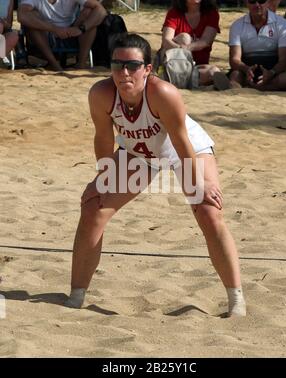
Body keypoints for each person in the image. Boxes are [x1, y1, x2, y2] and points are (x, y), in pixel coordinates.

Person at [65, 33, 246, 318]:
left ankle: (236, 300)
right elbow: (103, 140)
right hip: (139, 154)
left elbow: (181, 142)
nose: (124, 72)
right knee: (92, 207)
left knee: (209, 211)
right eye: (117, 65)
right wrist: (102, 178)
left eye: (133, 65)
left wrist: (199, 185)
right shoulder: (101, 93)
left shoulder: (163, 93)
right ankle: (76, 296)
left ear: (148, 69)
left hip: (183, 151)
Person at [17, 0, 107, 71]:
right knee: (32, 17)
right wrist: (54, 29)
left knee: (89, 12)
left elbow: (101, 11)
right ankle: (54, 64)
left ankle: (81, 63)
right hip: (46, 33)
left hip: (71, 31)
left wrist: (80, 29)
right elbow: (21, 15)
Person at [226, 0, 286, 91]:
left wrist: (271, 73)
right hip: (246, 70)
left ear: (268, 2)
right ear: (246, 3)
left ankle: (249, 87)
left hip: (273, 70)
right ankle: (258, 87)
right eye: (252, 1)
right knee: (235, 76)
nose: (257, 5)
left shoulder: (282, 24)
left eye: (262, 1)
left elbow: (284, 60)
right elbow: (234, 59)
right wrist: (246, 69)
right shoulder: (237, 25)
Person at [160, 0, 221, 86]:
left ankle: (183, 80)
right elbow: (166, 40)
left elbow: (206, 41)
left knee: (214, 71)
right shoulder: (174, 12)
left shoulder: (211, 13)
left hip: (196, 66)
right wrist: (182, 50)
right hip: (174, 64)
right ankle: (179, 78)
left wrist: (186, 48)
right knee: (185, 38)